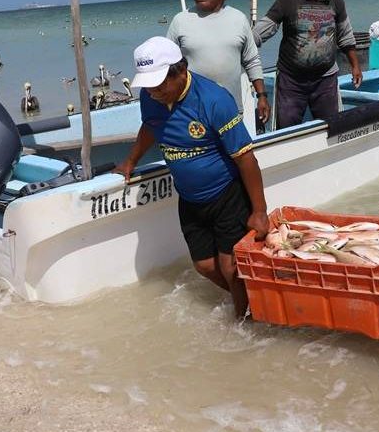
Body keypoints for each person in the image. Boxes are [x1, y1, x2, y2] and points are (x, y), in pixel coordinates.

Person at [115, 36, 269, 318]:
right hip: (189, 199)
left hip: (227, 194)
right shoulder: (151, 98)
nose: (153, 92)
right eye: (148, 86)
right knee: (205, 267)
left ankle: (245, 325)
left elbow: (246, 158)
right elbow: (150, 127)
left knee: (230, 266)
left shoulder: (214, 99)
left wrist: (259, 211)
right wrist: (130, 161)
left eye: (160, 84)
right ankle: (253, 304)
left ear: (181, 69)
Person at [252, 0, 362, 128]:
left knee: (330, 128)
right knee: (286, 130)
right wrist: (243, 44)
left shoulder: (336, 0)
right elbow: (264, 29)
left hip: (325, 79)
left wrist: (355, 66)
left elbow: (345, 35)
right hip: (291, 80)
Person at [166, 0, 269, 126]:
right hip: (192, 109)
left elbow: (252, 60)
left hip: (231, 107)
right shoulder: (180, 20)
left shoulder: (239, 19)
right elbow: (167, 64)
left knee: (233, 150)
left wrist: (261, 96)